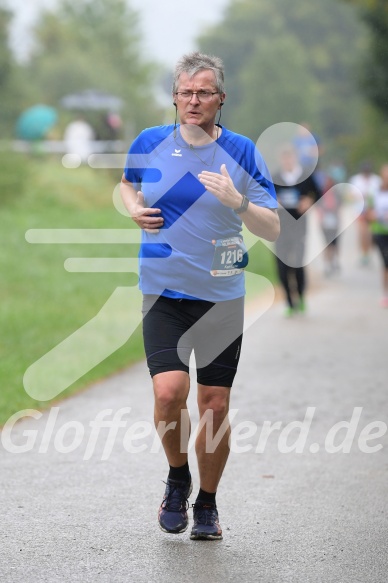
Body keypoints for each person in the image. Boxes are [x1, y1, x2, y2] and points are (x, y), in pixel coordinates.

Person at [120, 52, 279, 540]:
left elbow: (274, 227)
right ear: (174, 96)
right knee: (170, 392)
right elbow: (127, 183)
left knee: (213, 405)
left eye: (204, 92)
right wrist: (133, 210)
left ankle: (207, 504)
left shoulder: (243, 151)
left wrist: (238, 202)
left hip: (221, 297)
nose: (194, 100)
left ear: (220, 99)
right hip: (163, 290)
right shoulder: (150, 142)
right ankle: (177, 475)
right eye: (186, 92)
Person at [272, 145, 321, 317]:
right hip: (280, 226)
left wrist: (309, 201)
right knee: (281, 266)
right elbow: (264, 195)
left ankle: (300, 297)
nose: (287, 161)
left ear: (295, 158)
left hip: (300, 226)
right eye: (284, 159)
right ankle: (289, 301)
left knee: (298, 263)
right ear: (281, 160)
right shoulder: (276, 177)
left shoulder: (306, 176)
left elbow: (319, 193)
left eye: (290, 158)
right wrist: (274, 201)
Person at [349, 161, 381, 266]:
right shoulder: (356, 180)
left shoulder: (376, 180)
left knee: (370, 233)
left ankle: (368, 252)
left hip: (372, 210)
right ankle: (363, 253)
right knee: (362, 233)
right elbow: (351, 195)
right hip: (360, 210)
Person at [366, 164, 388, 307]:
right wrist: (374, 216)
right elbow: (368, 212)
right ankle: (385, 293)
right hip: (380, 232)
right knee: (386, 263)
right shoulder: (375, 192)